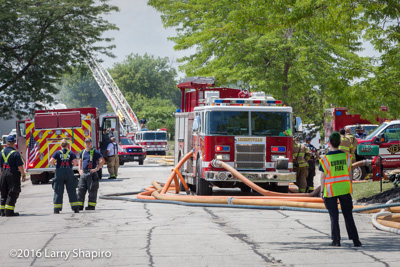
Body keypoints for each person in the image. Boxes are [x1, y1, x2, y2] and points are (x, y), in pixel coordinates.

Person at [319, 131, 362, 247]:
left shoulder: (325, 159)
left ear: (329, 143)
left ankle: (336, 240)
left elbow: (323, 176)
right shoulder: (347, 156)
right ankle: (356, 240)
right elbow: (349, 173)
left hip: (330, 190)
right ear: (339, 142)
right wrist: (350, 185)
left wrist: (322, 191)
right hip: (344, 189)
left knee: (334, 215)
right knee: (348, 215)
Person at [49, 139, 80, 214]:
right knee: (72, 190)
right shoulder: (71, 153)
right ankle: (75, 208)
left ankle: (57, 209)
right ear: (67, 145)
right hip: (69, 172)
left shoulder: (57, 153)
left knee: (58, 190)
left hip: (59, 172)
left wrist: (55, 165)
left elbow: (51, 161)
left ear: (60, 146)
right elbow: (75, 162)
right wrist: (71, 166)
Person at [0, 135, 26, 217]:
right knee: (13, 192)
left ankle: (2, 212)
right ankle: (9, 212)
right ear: (14, 142)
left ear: (7, 142)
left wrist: (1, 175)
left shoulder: (1, 152)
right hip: (12, 174)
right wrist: (23, 174)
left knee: (3, 192)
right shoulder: (15, 153)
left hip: (3, 173)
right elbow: (20, 166)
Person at [77, 138, 104, 211]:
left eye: (88, 142)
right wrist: (79, 169)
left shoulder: (95, 151)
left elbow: (102, 160)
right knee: (80, 190)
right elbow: (80, 160)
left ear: (91, 143)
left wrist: (97, 168)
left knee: (92, 191)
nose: (87, 144)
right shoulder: (83, 152)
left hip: (92, 174)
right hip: (84, 174)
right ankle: (79, 206)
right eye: (86, 142)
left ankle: (91, 206)